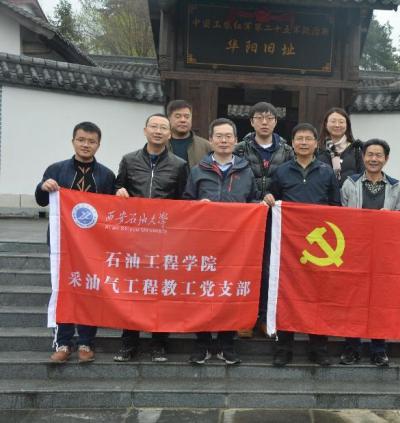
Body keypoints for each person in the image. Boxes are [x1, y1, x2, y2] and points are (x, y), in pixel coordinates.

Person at [35, 121, 116, 363]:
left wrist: (120, 193)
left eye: (91, 141)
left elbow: (112, 210)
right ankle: (63, 342)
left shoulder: (106, 175)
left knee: (90, 289)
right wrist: (43, 187)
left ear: (98, 145)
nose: (86, 145)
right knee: (64, 291)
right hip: (62, 242)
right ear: (73, 141)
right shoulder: (56, 170)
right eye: (81, 140)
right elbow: (41, 201)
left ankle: (86, 342)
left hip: (94, 245)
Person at [112, 113, 189, 363]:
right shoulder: (129, 160)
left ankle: (159, 343)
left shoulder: (179, 165)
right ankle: (129, 342)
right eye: (153, 126)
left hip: (164, 239)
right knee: (132, 289)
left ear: (170, 134)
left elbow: (184, 201)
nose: (158, 131)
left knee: (160, 291)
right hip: (133, 237)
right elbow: (117, 187)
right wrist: (118, 190)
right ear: (145, 130)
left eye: (163, 128)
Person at [263, 123, 340, 367]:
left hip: (319, 247)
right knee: (286, 295)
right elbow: (271, 200)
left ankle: (319, 348)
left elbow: (336, 207)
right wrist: (268, 198)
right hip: (289, 245)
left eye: (308, 139)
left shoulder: (327, 172)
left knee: (318, 296)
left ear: (316, 143)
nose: (304, 143)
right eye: (299, 139)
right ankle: (283, 349)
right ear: (292, 143)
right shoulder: (281, 171)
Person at [183, 117, 259, 365]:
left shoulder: (246, 171)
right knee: (202, 292)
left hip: (236, 245)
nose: (224, 141)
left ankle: (227, 343)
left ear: (236, 140)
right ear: (211, 140)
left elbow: (253, 201)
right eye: (219, 136)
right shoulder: (198, 170)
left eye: (228, 136)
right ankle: (202, 343)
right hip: (203, 244)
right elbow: (186, 203)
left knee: (230, 291)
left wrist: (259, 206)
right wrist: (198, 205)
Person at [339, 138, 400, 367]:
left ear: (386, 159)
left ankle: (379, 349)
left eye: (379, 155)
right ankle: (352, 348)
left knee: (380, 302)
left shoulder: (395, 186)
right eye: (370, 155)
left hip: (383, 253)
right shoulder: (350, 184)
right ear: (363, 157)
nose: (374, 159)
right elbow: (341, 217)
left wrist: (391, 218)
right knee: (353, 301)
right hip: (354, 251)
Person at [234, 101, 293, 338]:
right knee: (245, 265)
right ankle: (243, 317)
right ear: (251, 122)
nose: (265, 122)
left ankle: (266, 317)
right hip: (247, 215)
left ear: (276, 122)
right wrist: (255, 200)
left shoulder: (287, 151)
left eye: (269, 118)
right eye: (260, 118)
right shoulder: (239, 149)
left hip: (276, 218)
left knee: (271, 267)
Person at [316, 107, 364, 188]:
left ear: (347, 125)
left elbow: (363, 176)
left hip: (349, 194)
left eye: (341, 122)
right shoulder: (317, 149)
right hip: (323, 194)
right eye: (333, 121)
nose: (337, 125)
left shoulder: (357, 149)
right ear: (326, 124)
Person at [166, 99, 212, 168]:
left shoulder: (206, 146)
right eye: (178, 116)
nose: (183, 120)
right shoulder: (161, 144)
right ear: (169, 118)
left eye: (187, 117)